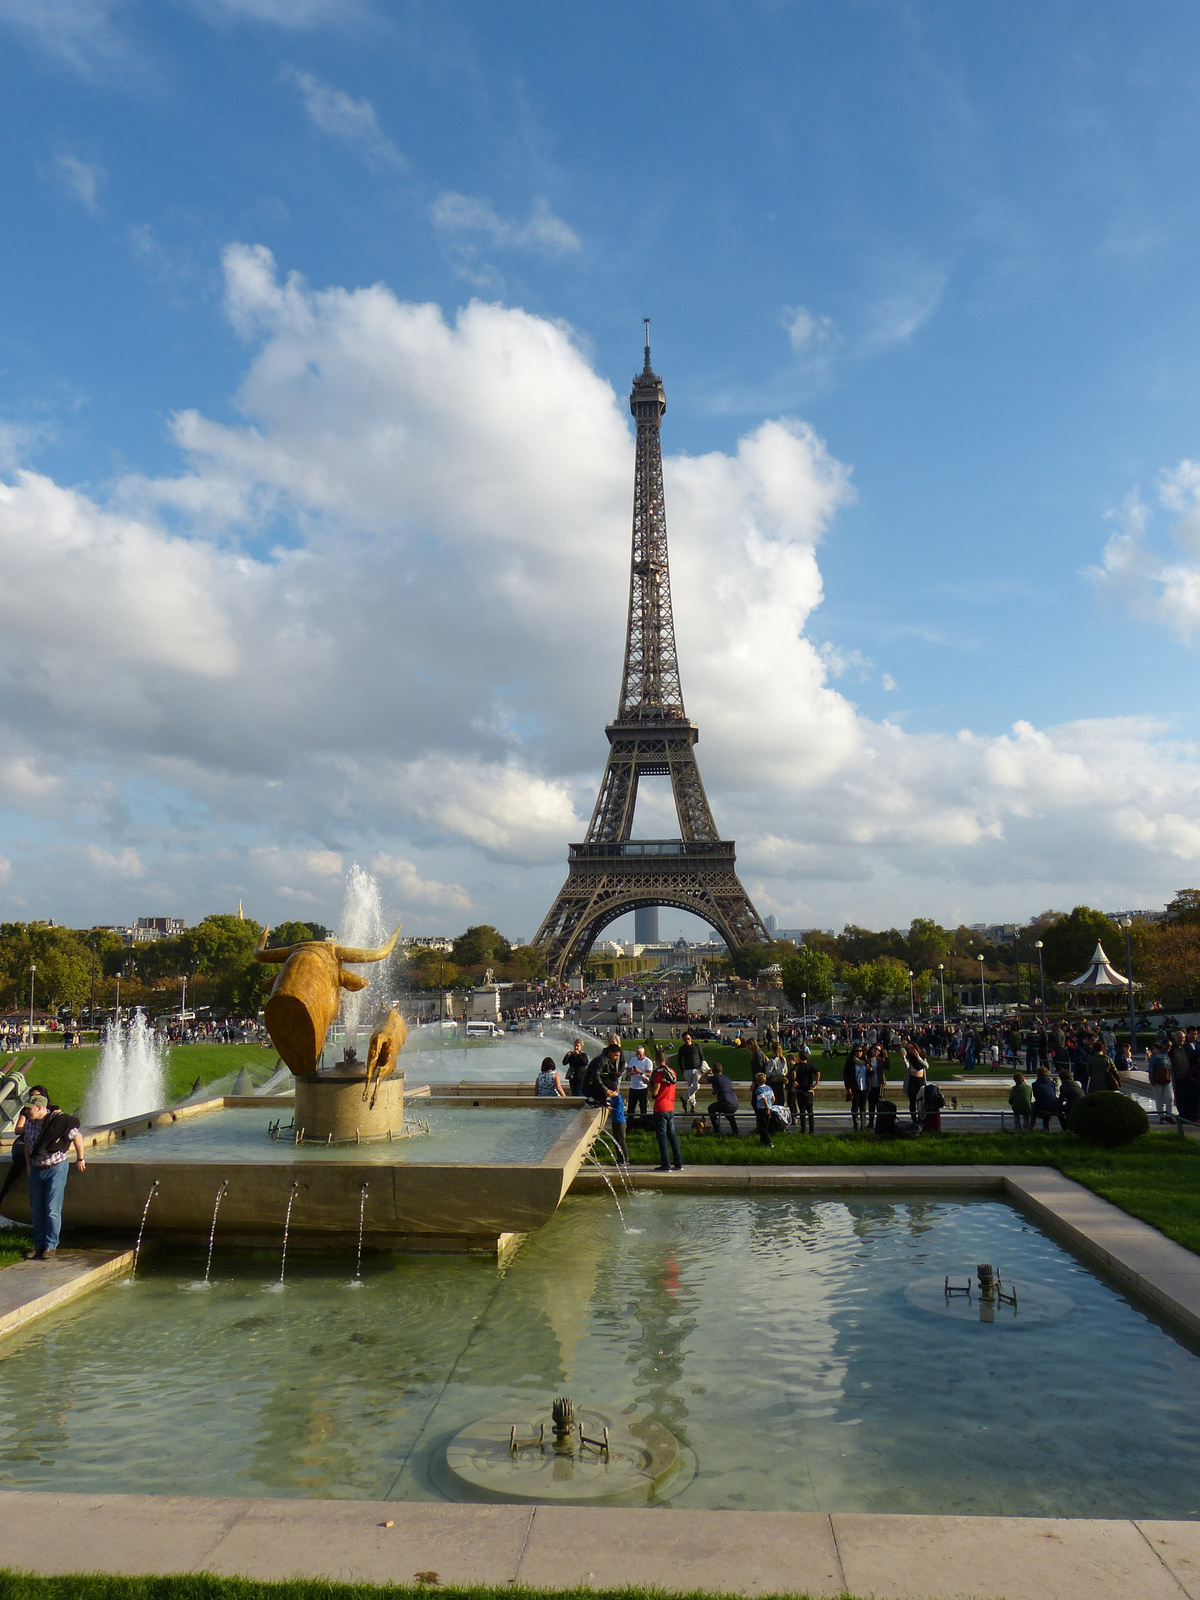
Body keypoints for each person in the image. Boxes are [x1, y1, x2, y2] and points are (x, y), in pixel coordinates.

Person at [15, 1092, 85, 1259]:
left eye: (29, 1109)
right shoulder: (30, 1124)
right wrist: (29, 1167)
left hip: (56, 1169)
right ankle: (38, 1246)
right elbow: (27, 1147)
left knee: (52, 1209)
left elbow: (77, 1136)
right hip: (36, 1169)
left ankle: (50, 1246)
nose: (26, 1112)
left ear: (39, 1108)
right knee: (37, 1210)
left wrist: (80, 1158)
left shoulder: (58, 1122)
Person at [649, 1048, 683, 1172]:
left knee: (662, 1137)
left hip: (660, 1108)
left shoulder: (659, 1074)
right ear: (666, 1060)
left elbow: (655, 1091)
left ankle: (666, 1164)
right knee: (672, 1135)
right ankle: (678, 1163)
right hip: (670, 1107)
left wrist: (647, 1084)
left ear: (657, 1061)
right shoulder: (672, 1072)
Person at [584, 1038, 625, 1107]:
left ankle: (600, 1100)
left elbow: (603, 1074)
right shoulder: (602, 1060)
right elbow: (596, 1076)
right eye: (616, 1055)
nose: (616, 1058)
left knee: (613, 1082)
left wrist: (613, 1074)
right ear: (610, 1053)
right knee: (612, 1085)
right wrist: (605, 1090)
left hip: (592, 1083)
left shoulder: (607, 1060)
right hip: (589, 1085)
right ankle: (591, 1100)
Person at [788, 1051, 819, 1134]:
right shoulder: (810, 1065)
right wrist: (816, 1083)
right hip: (809, 1089)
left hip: (800, 1090)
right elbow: (818, 1072)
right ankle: (811, 1129)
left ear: (799, 1057)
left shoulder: (798, 1066)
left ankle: (803, 1129)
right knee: (810, 1110)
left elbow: (794, 1072)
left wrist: (794, 1080)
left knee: (802, 1110)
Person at [706, 1064, 740, 1136]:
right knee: (728, 1113)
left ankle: (717, 1130)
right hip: (735, 1103)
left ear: (713, 1071)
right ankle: (735, 1130)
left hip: (726, 1103)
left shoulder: (714, 1077)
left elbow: (700, 1081)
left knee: (711, 1108)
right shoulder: (727, 1078)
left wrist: (706, 1073)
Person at [1148, 1041, 1175, 1123]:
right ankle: (1161, 1116)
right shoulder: (1156, 1054)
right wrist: (1151, 1079)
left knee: (1170, 1097)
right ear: (1162, 1045)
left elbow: (1171, 1069)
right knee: (1159, 1098)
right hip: (1158, 1078)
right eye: (1167, 1046)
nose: (1169, 1048)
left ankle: (1169, 1115)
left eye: (1170, 1046)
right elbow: (1151, 1067)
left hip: (1167, 1078)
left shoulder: (1168, 1054)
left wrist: (1173, 1080)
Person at [843, 1044, 869, 1131]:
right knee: (855, 1106)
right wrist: (848, 1087)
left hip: (864, 1086)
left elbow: (870, 1074)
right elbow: (846, 1075)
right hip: (855, 1086)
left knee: (863, 1107)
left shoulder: (866, 1061)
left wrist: (871, 1071)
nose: (859, 1053)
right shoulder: (850, 1062)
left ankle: (863, 1125)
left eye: (860, 1051)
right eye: (857, 1051)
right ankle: (855, 1124)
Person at [901, 1043, 928, 1127]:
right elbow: (907, 1066)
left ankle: (921, 1119)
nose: (911, 1050)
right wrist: (904, 1057)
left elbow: (926, 1066)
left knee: (920, 1101)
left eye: (912, 1048)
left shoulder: (921, 1055)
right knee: (912, 1100)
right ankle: (914, 1119)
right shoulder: (909, 1058)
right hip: (912, 1080)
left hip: (920, 1080)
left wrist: (918, 1057)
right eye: (908, 1049)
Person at [677, 1032, 704, 1114]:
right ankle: (693, 1105)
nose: (687, 1041)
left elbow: (702, 1057)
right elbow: (679, 1061)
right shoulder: (682, 1049)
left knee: (696, 1086)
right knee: (690, 1087)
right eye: (685, 1039)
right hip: (687, 1070)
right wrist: (682, 1071)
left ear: (691, 1038)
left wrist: (702, 1067)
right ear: (683, 1040)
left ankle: (684, 1098)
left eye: (688, 1039)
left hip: (697, 1070)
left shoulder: (696, 1046)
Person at [605, 1082, 628, 1164]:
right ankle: (619, 1157)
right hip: (615, 1122)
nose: (610, 1095)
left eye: (611, 1093)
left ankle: (625, 1158)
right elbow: (609, 1100)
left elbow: (619, 1110)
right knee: (616, 1141)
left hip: (620, 1122)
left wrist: (611, 1108)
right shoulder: (613, 1098)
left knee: (621, 1140)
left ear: (616, 1091)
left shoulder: (619, 1100)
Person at [865, 1044, 887, 1130]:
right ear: (871, 1049)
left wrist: (886, 1054)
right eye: (875, 1049)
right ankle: (870, 1122)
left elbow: (887, 1066)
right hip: (870, 1085)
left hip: (879, 1085)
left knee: (879, 1105)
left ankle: (879, 1124)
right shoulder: (866, 1060)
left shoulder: (880, 1060)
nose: (877, 1051)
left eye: (879, 1050)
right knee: (871, 1105)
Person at [627, 1045, 652, 1120]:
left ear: (644, 1053)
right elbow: (627, 1071)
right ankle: (630, 1123)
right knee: (631, 1108)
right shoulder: (633, 1060)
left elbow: (650, 1074)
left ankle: (643, 1123)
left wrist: (640, 1072)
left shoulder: (648, 1061)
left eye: (640, 1054)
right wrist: (631, 1073)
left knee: (643, 1108)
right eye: (637, 1054)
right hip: (633, 1087)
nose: (638, 1055)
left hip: (642, 1087)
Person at [1030, 1065, 1058, 1131]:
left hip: (1043, 1106)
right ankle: (1046, 1127)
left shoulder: (1035, 1084)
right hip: (1053, 1106)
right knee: (1046, 1101)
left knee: (1035, 1105)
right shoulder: (1051, 1083)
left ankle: (1031, 1126)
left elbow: (1036, 1096)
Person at [751, 1071, 775, 1147]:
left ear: (757, 1081)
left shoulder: (758, 1090)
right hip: (769, 1108)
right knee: (766, 1125)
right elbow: (773, 1098)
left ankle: (768, 1141)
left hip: (762, 1109)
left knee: (762, 1126)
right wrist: (770, 1105)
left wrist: (767, 1107)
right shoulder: (769, 1088)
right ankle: (762, 1140)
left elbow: (763, 1099)